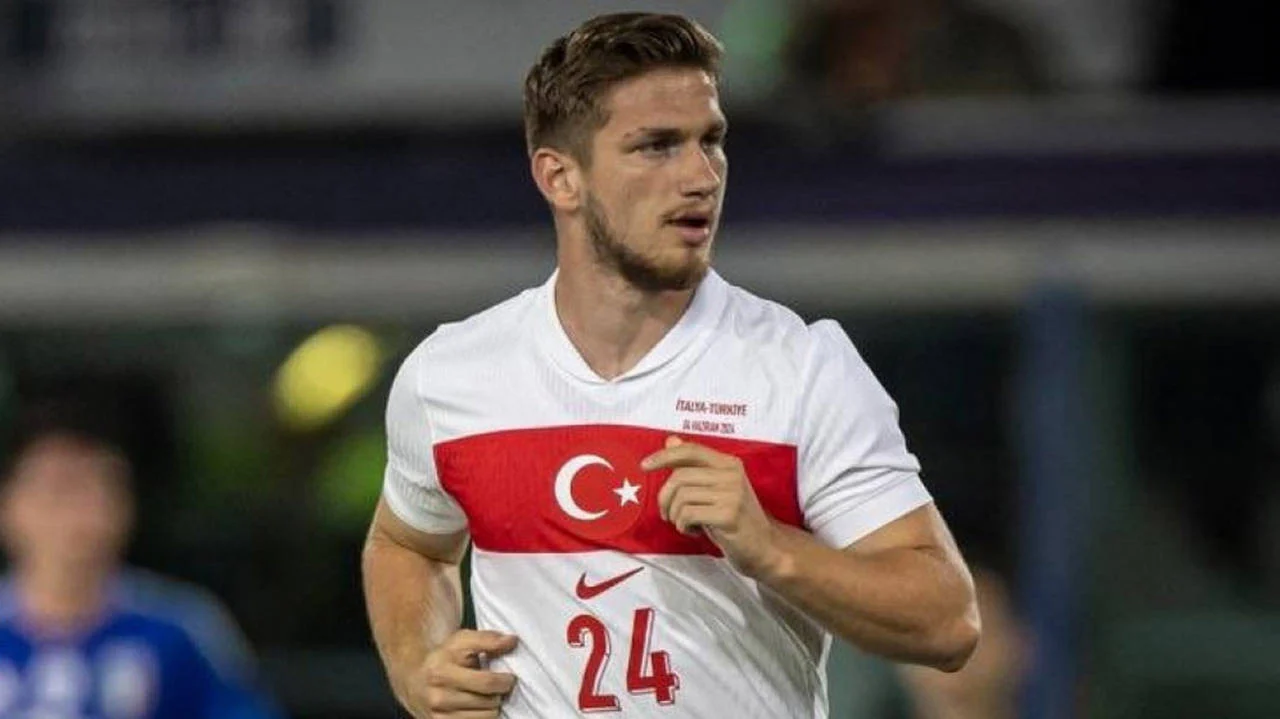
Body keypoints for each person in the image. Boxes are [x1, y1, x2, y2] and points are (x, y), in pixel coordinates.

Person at [361, 12, 980, 718]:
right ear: (560, 177)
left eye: (710, 140)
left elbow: (947, 621)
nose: (701, 175)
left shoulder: (802, 369)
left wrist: (772, 549)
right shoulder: (451, 374)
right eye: (657, 146)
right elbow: (406, 543)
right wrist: (416, 665)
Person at [0, 403, 284, 719]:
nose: (83, 512)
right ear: (9, 504)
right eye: (60, 490)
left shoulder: (181, 627)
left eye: (104, 488)